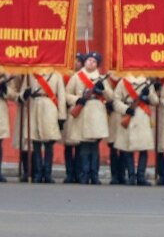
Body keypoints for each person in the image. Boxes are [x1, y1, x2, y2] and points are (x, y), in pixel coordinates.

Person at [65, 52, 112, 185]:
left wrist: (103, 90)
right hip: (83, 112)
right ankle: (84, 174)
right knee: (85, 147)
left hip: (97, 112)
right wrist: (78, 99)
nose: (90, 63)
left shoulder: (101, 78)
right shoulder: (76, 77)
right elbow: (67, 94)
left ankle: (94, 175)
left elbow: (111, 97)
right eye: (89, 60)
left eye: (94, 61)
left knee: (94, 147)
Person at [20, 71, 66, 183]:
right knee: (36, 144)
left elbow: (61, 96)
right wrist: (24, 94)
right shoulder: (30, 74)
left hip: (49, 106)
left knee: (49, 144)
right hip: (34, 106)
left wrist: (61, 116)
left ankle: (47, 173)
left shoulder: (56, 75)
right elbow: (22, 92)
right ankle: (37, 173)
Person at [113, 74, 158, 186]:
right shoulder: (123, 82)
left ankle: (140, 176)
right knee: (128, 149)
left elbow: (155, 101)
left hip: (142, 116)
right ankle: (131, 176)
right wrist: (126, 109)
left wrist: (149, 95)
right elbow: (116, 101)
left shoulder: (147, 83)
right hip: (129, 113)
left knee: (144, 149)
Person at [62, 53, 84, 183]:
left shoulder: (85, 77)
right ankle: (69, 173)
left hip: (82, 113)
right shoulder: (65, 76)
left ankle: (79, 172)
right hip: (69, 112)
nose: (76, 63)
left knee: (80, 146)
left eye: (79, 61)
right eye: (74, 60)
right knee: (69, 145)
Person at [105, 75, 125, 185]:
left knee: (124, 148)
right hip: (112, 116)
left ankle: (122, 174)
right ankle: (114, 175)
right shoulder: (106, 79)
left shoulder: (127, 78)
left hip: (124, 113)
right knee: (113, 148)